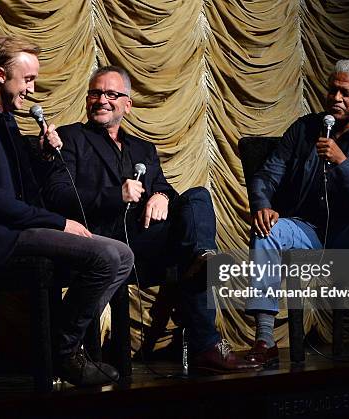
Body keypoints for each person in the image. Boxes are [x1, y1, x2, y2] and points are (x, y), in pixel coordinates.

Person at [0, 35, 134, 387]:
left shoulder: (6, 121)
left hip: (17, 231)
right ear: (0, 75)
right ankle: (62, 351)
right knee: (108, 254)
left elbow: (30, 189)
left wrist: (44, 153)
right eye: (27, 79)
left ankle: (56, 345)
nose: (31, 89)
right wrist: (59, 223)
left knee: (121, 254)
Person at [37, 66, 259, 372]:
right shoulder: (70, 138)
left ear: (127, 104)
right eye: (95, 93)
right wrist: (118, 194)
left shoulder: (142, 148)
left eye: (111, 94)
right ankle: (206, 345)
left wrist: (162, 197)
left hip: (144, 237)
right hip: (101, 237)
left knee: (196, 199)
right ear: (87, 100)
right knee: (189, 253)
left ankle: (203, 258)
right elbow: (57, 196)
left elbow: (163, 186)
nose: (102, 100)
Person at [245, 60, 349, 365]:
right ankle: (264, 340)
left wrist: (343, 163)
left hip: (348, 234)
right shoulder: (304, 129)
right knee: (267, 230)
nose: (335, 98)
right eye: (332, 90)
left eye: (346, 93)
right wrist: (263, 205)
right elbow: (266, 176)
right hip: (306, 229)